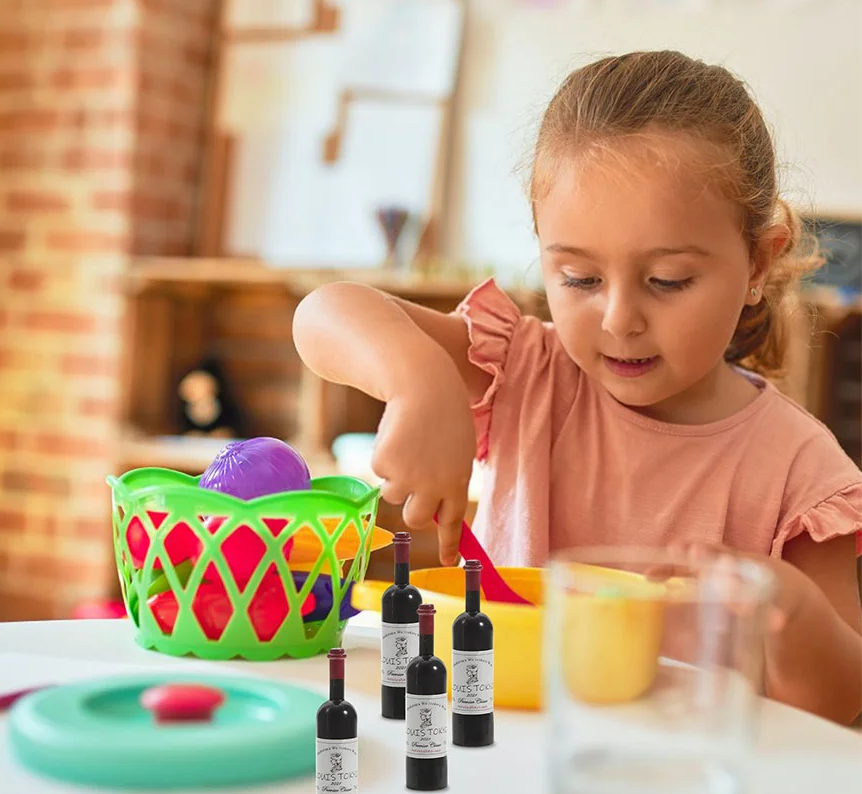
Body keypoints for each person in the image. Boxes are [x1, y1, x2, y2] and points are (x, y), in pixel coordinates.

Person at [293, 51, 862, 723]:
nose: (619, 319)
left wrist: (788, 613)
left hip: (660, 791)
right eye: (581, 279)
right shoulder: (529, 370)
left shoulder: (800, 473)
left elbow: (844, 700)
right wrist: (420, 384)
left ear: (760, 262)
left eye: (669, 279)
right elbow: (323, 313)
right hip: (492, 753)